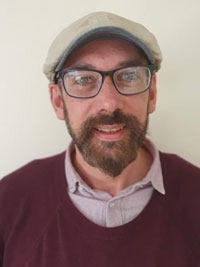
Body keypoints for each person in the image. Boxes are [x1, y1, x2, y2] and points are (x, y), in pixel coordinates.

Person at [0, 11, 200, 267]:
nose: (108, 103)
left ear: (151, 94)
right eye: (83, 79)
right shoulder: (9, 203)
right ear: (58, 101)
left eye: (128, 76)